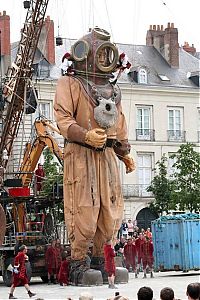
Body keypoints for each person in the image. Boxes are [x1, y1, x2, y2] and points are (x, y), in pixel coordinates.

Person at [54, 26, 135, 285]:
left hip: (108, 156)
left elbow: (119, 125)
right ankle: (79, 262)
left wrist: (124, 152)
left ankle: (102, 259)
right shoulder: (70, 83)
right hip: (81, 155)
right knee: (84, 208)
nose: (102, 61)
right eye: (98, 55)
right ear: (85, 54)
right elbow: (63, 120)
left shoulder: (112, 89)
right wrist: (85, 135)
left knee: (109, 210)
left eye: (106, 55)